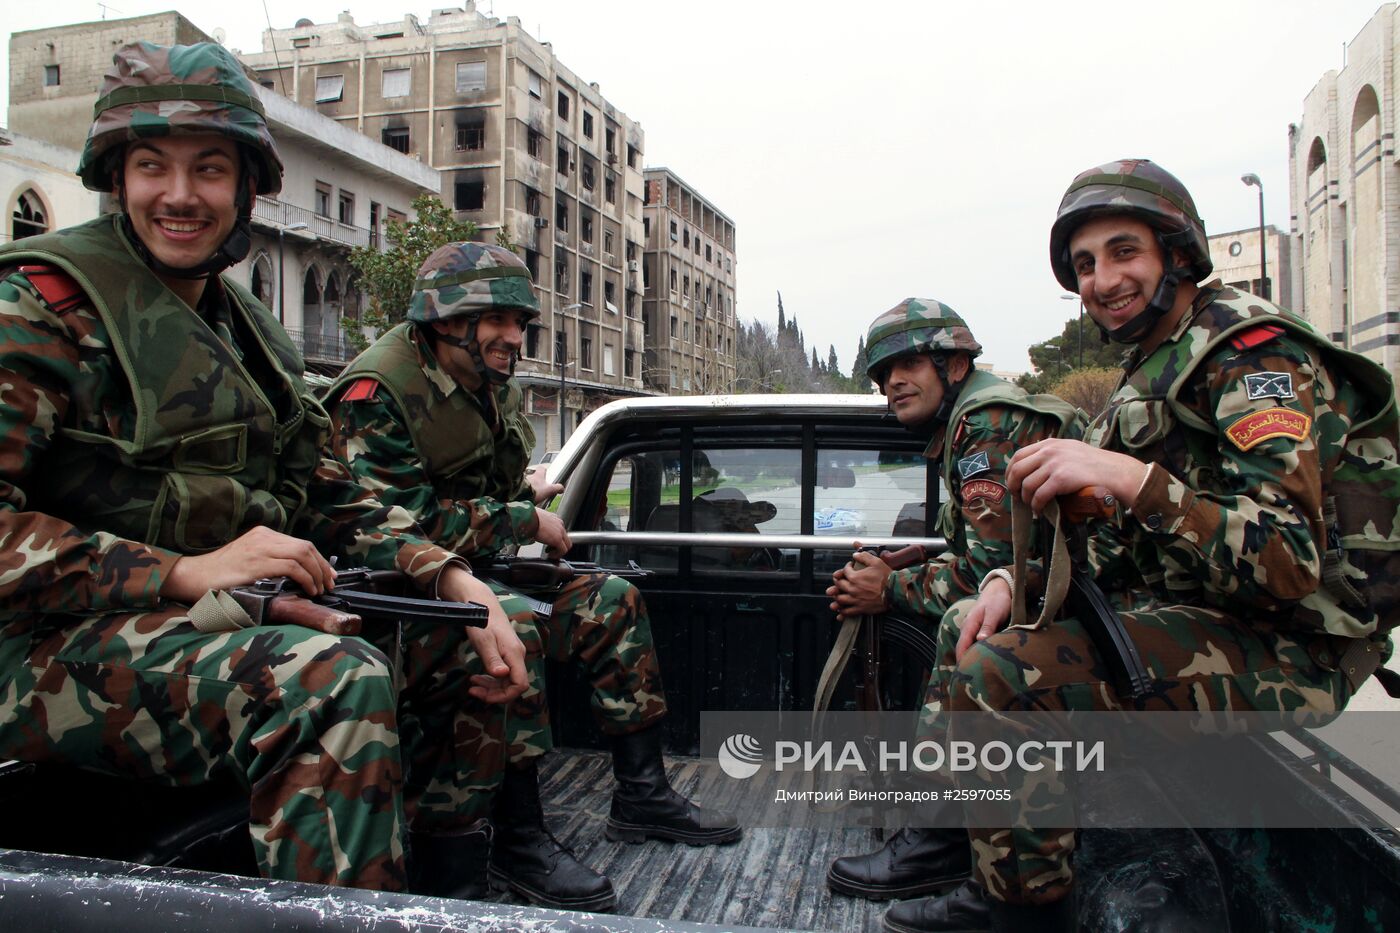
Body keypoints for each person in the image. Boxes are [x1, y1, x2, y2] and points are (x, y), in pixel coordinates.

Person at [0, 41, 531, 897]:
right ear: (117, 177)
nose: (179, 195)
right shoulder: (42, 308)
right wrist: (181, 570)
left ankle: (443, 894)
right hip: (40, 647)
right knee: (328, 682)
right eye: (150, 166)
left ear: (247, 186)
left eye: (210, 168)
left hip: (197, 621)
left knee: (462, 640)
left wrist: (458, 583)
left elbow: (333, 492)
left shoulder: (246, 325)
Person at [881, 159, 1400, 933]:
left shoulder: (1252, 357)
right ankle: (994, 874)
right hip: (1205, 613)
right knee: (971, 625)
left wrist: (1130, 477)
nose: (1101, 279)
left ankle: (1025, 916)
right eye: (1085, 265)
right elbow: (1109, 544)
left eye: (1124, 252)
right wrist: (1010, 583)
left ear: (1176, 253)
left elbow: (1287, 564)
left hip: (1291, 646)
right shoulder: (1151, 366)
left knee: (1004, 678)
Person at [322, 241, 740, 912]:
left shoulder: (486, 381)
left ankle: (642, 795)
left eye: (520, 321)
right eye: (499, 320)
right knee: (509, 624)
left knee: (612, 598)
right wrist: (520, 519)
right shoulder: (378, 392)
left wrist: (524, 490)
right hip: (400, 593)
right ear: (445, 317)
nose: (515, 337)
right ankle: (518, 839)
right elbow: (397, 524)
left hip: (481, 571)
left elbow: (480, 482)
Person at [823, 299, 1081, 903]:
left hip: (1075, 605)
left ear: (955, 364)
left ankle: (939, 842)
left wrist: (886, 589)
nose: (892, 383)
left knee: (963, 629)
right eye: (883, 373)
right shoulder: (969, 418)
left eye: (909, 363)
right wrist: (907, 566)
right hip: (1057, 593)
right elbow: (987, 549)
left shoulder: (985, 423)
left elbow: (994, 581)